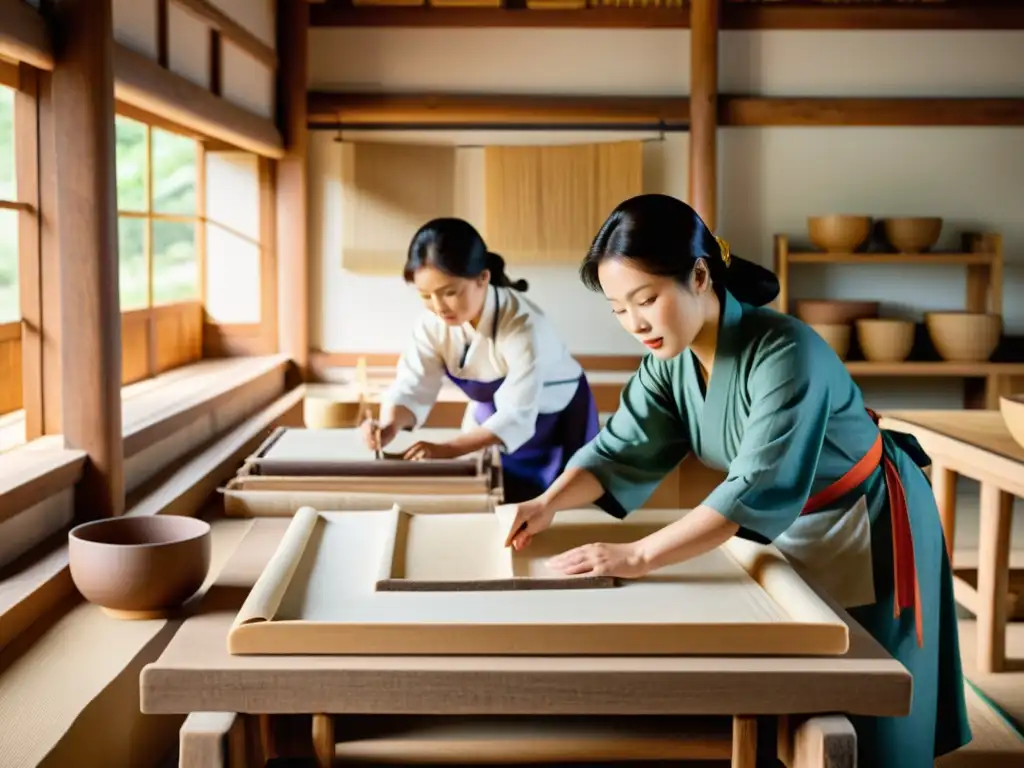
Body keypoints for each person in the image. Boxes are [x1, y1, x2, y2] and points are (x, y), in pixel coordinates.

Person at [503, 194, 971, 767]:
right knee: (796, 685)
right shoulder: (667, 362)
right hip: (782, 526)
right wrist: (548, 502)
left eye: (646, 300)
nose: (636, 324)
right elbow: (619, 447)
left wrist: (637, 555)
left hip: (863, 521)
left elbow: (752, 487)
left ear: (700, 274)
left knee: (868, 699)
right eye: (619, 310)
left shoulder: (786, 351)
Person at [362, 217, 600, 503]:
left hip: (555, 420)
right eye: (425, 295)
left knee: (554, 508)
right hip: (491, 417)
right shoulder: (431, 324)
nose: (438, 307)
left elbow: (516, 416)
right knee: (483, 498)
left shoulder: (524, 325)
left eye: (450, 292)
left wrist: (446, 449)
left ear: (482, 278)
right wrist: (389, 426)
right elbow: (413, 385)